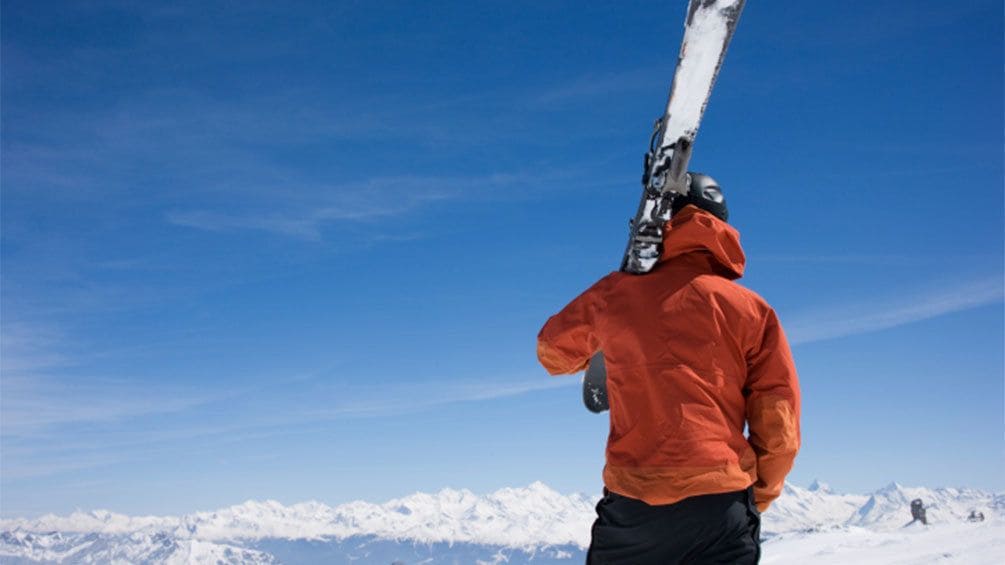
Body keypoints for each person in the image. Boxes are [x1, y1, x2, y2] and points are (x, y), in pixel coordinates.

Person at [537, 174, 801, 564]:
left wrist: (607, 328)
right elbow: (778, 420)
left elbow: (552, 352)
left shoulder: (614, 293)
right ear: (723, 227)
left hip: (633, 505)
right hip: (721, 504)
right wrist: (757, 495)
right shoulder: (752, 310)